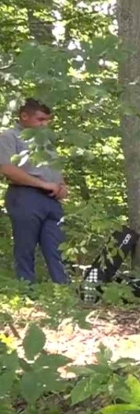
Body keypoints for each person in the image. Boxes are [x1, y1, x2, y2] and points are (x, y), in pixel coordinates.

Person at [0, 98, 69, 284]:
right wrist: (41, 185)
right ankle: (27, 291)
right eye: (40, 119)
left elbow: (54, 168)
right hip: (25, 196)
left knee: (58, 246)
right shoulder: (10, 136)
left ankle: (64, 290)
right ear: (24, 116)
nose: (44, 124)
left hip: (52, 201)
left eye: (47, 120)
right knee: (25, 247)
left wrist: (62, 186)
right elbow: (6, 168)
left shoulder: (45, 141)